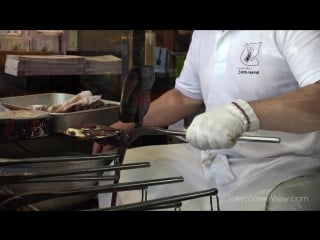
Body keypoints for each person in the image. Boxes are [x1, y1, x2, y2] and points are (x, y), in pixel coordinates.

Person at [93, 30, 320, 210]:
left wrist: (243, 114)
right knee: (123, 169)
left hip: (280, 166)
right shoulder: (204, 34)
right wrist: (126, 124)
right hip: (210, 160)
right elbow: (184, 97)